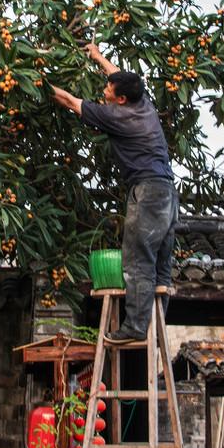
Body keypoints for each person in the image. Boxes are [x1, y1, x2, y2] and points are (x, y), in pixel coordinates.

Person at [50, 42, 179, 344]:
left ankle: (134, 327)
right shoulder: (142, 103)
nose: (105, 89)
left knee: (136, 259)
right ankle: (157, 325)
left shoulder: (116, 116)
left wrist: (33, 80)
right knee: (161, 265)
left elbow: (69, 102)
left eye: (109, 89)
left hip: (146, 191)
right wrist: (97, 57)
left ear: (120, 99)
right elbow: (119, 75)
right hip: (168, 193)